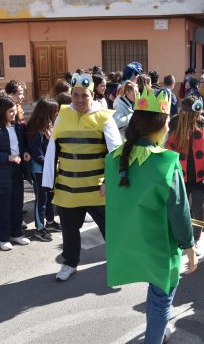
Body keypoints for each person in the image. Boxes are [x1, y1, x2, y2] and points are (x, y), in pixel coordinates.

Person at [105, 87, 196, 343]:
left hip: (129, 242)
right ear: (158, 126)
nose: (169, 128)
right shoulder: (166, 161)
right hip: (159, 244)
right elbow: (179, 209)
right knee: (160, 298)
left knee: (155, 295)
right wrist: (188, 245)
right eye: (167, 123)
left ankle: (159, 330)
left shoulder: (113, 158)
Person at [43, 73, 122, 282]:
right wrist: (50, 182)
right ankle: (69, 263)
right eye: (75, 95)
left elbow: (115, 152)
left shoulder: (104, 116)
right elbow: (53, 150)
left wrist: (109, 182)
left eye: (84, 96)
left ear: (92, 94)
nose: (79, 100)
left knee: (112, 228)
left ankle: (119, 261)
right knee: (69, 230)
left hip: (97, 188)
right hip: (68, 187)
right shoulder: (62, 115)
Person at [165, 96, 204, 252]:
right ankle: (180, 237)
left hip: (201, 175)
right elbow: (162, 145)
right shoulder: (173, 124)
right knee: (178, 208)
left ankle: (195, 238)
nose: (196, 117)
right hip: (178, 175)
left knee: (198, 207)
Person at [0, 95, 30, 251]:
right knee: (4, 205)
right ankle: (3, 237)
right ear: (2, 111)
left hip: (17, 169)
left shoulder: (18, 126)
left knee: (17, 202)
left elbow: (22, 145)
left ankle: (16, 234)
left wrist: (25, 153)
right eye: (10, 111)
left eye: (15, 110)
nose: (14, 114)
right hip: (1, 171)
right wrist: (7, 157)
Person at [26, 98, 62, 242]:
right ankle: (39, 228)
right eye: (55, 112)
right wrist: (49, 163)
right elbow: (36, 153)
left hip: (50, 168)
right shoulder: (34, 129)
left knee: (50, 197)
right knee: (41, 199)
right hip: (39, 169)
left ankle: (50, 222)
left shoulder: (50, 126)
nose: (57, 114)